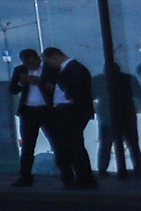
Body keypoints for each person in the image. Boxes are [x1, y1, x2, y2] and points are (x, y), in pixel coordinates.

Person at [39, 46, 97, 189]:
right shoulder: (64, 70)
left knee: (74, 145)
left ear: (55, 57)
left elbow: (77, 90)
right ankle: (81, 177)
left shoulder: (75, 69)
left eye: (48, 61)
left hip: (71, 110)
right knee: (70, 145)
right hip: (64, 110)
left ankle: (84, 178)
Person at [8, 48, 45, 187]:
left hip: (47, 110)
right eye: (26, 63)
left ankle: (67, 176)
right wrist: (21, 83)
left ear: (37, 59)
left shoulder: (48, 69)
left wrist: (40, 82)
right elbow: (12, 89)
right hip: (28, 110)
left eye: (30, 63)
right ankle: (25, 177)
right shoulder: (20, 70)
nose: (29, 66)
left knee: (58, 143)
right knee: (27, 146)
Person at [103, 57, 140, 180]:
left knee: (106, 144)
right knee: (132, 143)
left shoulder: (102, 80)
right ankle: (138, 168)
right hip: (127, 113)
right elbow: (139, 97)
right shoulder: (129, 79)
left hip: (108, 116)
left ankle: (102, 169)